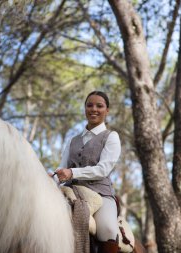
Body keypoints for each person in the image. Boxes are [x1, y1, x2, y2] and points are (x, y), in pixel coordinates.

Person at [55, 90, 121, 253]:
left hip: (101, 194)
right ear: (85, 108)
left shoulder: (111, 137)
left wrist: (72, 173)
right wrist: (52, 179)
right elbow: (61, 168)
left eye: (100, 106)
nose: (94, 109)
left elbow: (102, 169)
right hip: (71, 191)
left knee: (108, 229)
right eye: (89, 105)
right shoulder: (73, 140)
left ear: (107, 110)